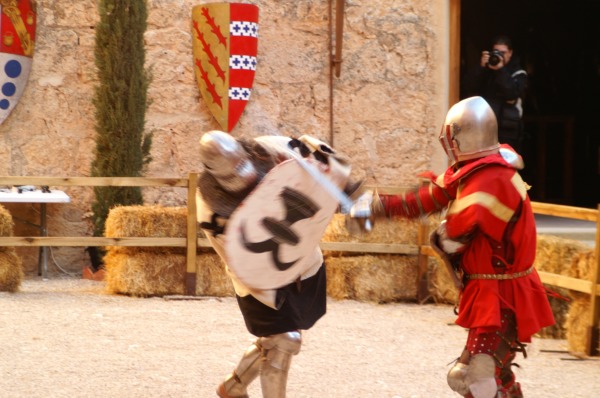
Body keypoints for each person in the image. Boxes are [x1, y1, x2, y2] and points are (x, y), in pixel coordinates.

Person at [349, 96, 555, 397]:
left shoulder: (494, 179)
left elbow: (456, 233)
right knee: (485, 375)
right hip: (492, 292)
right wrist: (377, 206)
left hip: (503, 298)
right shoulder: (474, 171)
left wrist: (443, 235)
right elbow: (425, 200)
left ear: (457, 138)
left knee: (474, 376)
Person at [196, 130, 360, 398]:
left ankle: (233, 386)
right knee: (284, 339)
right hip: (258, 277)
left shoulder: (278, 149)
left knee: (276, 340)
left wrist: (347, 196)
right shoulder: (210, 209)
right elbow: (247, 256)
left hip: (304, 261)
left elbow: (327, 166)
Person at [463, 35, 528, 153]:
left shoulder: (518, 73)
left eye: (503, 52)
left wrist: (500, 70)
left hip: (508, 130)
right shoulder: (486, 70)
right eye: (496, 52)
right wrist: (481, 67)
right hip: (484, 128)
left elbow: (511, 93)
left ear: (510, 53)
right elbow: (469, 87)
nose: (499, 56)